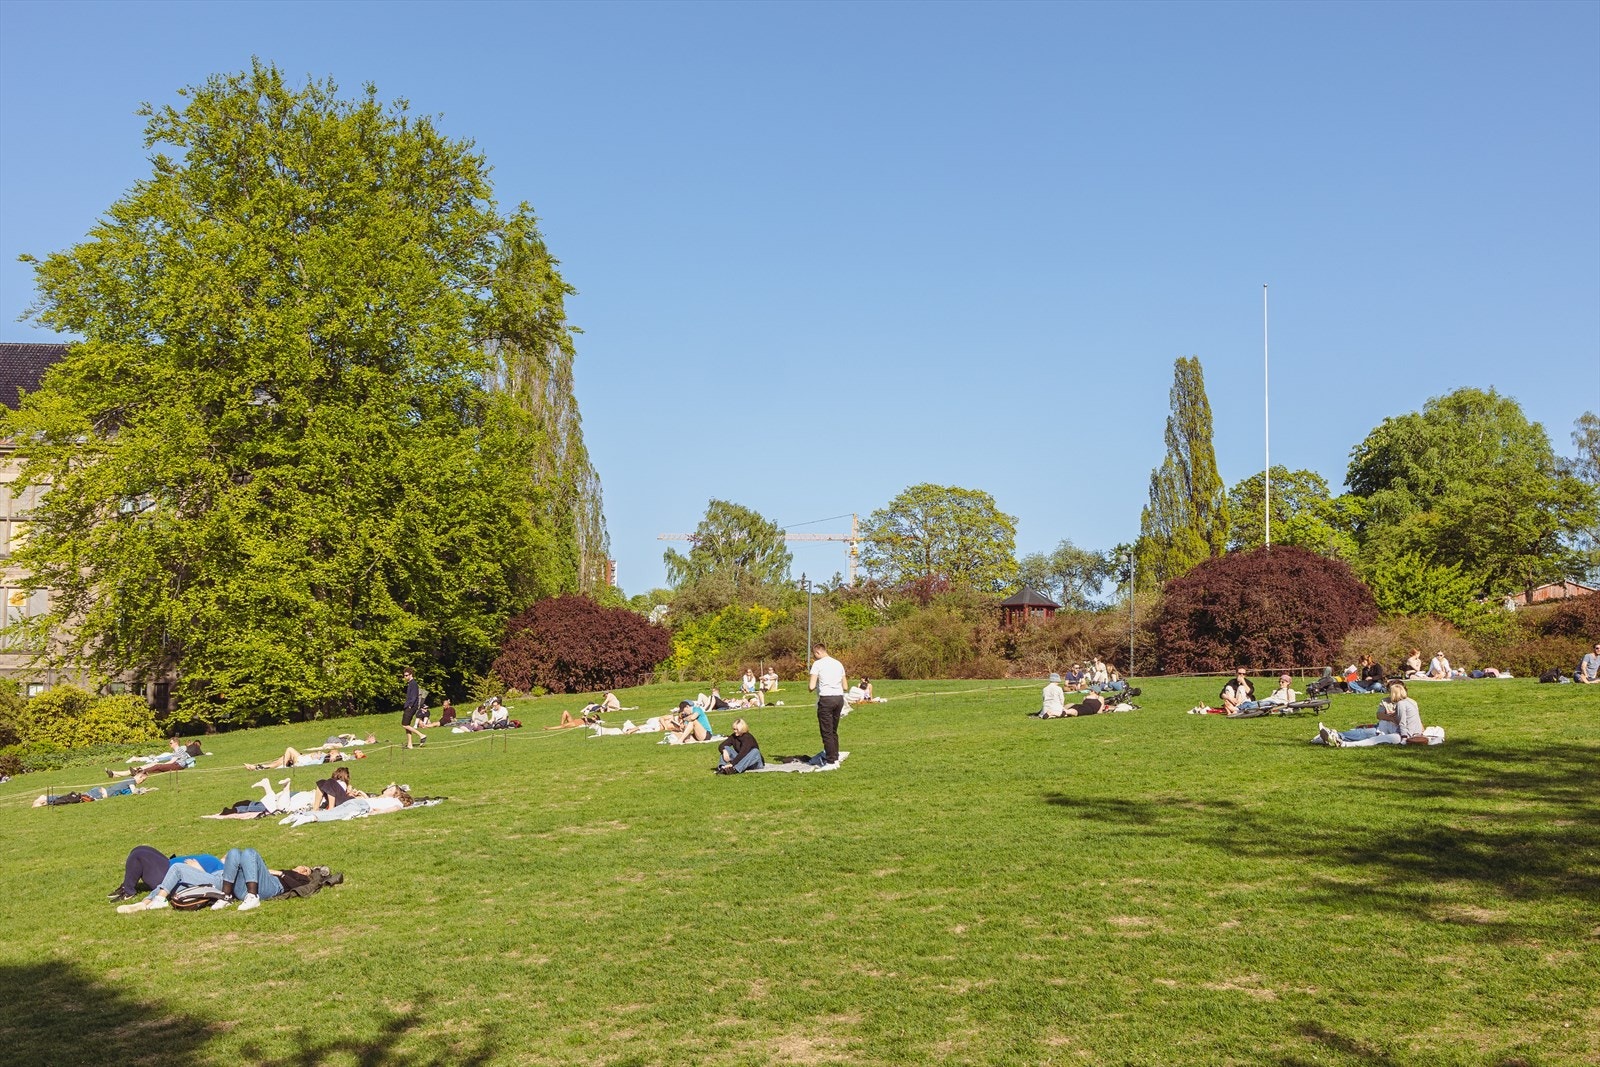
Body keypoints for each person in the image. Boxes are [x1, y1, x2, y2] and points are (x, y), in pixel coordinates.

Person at [1316, 681, 1431, 746]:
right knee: (1365, 733)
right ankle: (1332, 737)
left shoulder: (1401, 704)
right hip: (1394, 729)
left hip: (1396, 732)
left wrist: (1404, 738)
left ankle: (1337, 737)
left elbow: (1402, 723)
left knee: (1369, 736)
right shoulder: (1410, 702)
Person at [108, 846, 225, 903]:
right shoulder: (217, 861)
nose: (226, 855)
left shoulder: (222, 868)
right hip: (167, 864)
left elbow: (212, 883)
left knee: (139, 854)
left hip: (168, 874)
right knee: (139, 849)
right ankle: (126, 885)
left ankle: (128, 891)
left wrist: (199, 869)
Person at [808, 642, 846, 766]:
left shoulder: (817, 664)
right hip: (839, 698)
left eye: (814, 654)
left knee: (826, 731)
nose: (814, 657)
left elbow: (811, 686)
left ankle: (831, 761)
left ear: (818, 652)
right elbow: (845, 686)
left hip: (826, 699)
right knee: (833, 730)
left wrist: (812, 686)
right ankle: (835, 754)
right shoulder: (838, 663)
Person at [246, 745, 366, 770]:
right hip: (304, 758)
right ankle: (259, 767)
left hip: (303, 761)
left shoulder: (336, 757)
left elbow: (351, 757)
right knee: (284, 757)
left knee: (289, 749)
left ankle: (264, 767)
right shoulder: (325, 755)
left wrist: (358, 755)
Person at [401, 667, 426, 749]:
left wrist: (410, 705)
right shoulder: (410, 683)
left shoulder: (413, 684)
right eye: (404, 675)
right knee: (407, 725)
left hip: (411, 707)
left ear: (411, 675)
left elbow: (414, 697)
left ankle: (421, 735)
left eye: (406, 675)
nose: (405, 677)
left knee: (404, 725)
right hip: (409, 706)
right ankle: (409, 744)